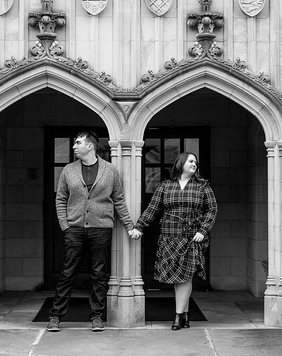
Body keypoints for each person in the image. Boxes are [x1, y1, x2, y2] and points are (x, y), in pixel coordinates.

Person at [48, 131, 135, 333]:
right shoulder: (68, 170)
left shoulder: (110, 170)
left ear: (90, 146)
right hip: (74, 229)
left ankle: (96, 317)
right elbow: (60, 198)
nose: (74, 146)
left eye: (78, 143)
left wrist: (129, 225)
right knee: (68, 273)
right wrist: (65, 225)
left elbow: (119, 200)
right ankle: (55, 316)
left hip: (101, 229)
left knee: (98, 274)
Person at [130, 152, 218, 330]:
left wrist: (203, 230)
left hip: (192, 236)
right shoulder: (165, 186)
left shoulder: (203, 186)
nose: (194, 164)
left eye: (196, 162)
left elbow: (212, 210)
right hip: (169, 236)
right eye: (191, 161)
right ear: (181, 163)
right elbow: (152, 209)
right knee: (179, 278)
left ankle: (178, 316)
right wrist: (139, 226)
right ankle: (185, 314)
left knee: (185, 275)